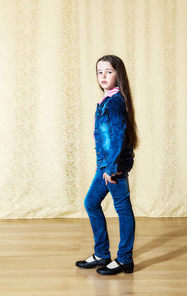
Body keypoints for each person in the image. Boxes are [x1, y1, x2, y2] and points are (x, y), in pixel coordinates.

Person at [75, 55, 139, 275]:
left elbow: (117, 137)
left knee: (122, 209)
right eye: (99, 72)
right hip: (105, 164)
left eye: (109, 71)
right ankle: (102, 254)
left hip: (114, 166)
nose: (103, 76)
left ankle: (124, 259)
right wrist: (103, 165)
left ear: (118, 74)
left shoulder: (115, 102)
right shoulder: (107, 100)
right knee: (91, 203)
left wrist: (111, 168)